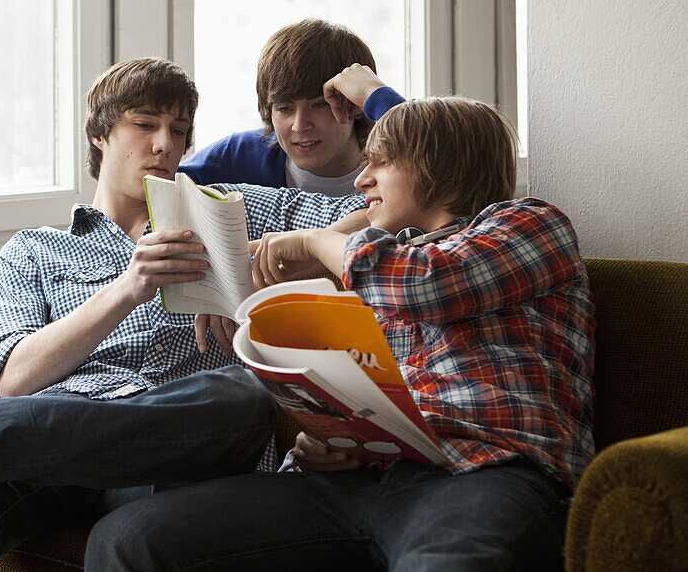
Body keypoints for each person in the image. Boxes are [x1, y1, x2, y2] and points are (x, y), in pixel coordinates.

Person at [0, 57, 377, 570]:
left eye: (180, 129)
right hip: (51, 444)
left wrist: (257, 253)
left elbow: (382, 217)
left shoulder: (232, 212)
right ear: (101, 135)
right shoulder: (34, 249)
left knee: (239, 399)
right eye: (145, 124)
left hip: (176, 452)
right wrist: (130, 286)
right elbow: (15, 379)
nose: (166, 144)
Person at [84, 65, 595, 571]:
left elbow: (428, 285)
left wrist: (312, 240)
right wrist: (322, 441)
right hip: (352, 481)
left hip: (483, 472)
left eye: (381, 163)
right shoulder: (376, 263)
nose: (360, 178)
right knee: (130, 538)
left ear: (440, 167)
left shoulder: (529, 224)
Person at [178, 18, 405, 196]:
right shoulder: (239, 156)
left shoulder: (402, 161)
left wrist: (376, 95)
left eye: (318, 105)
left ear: (354, 104)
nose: (299, 126)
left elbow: (436, 149)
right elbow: (153, 193)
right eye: (285, 108)